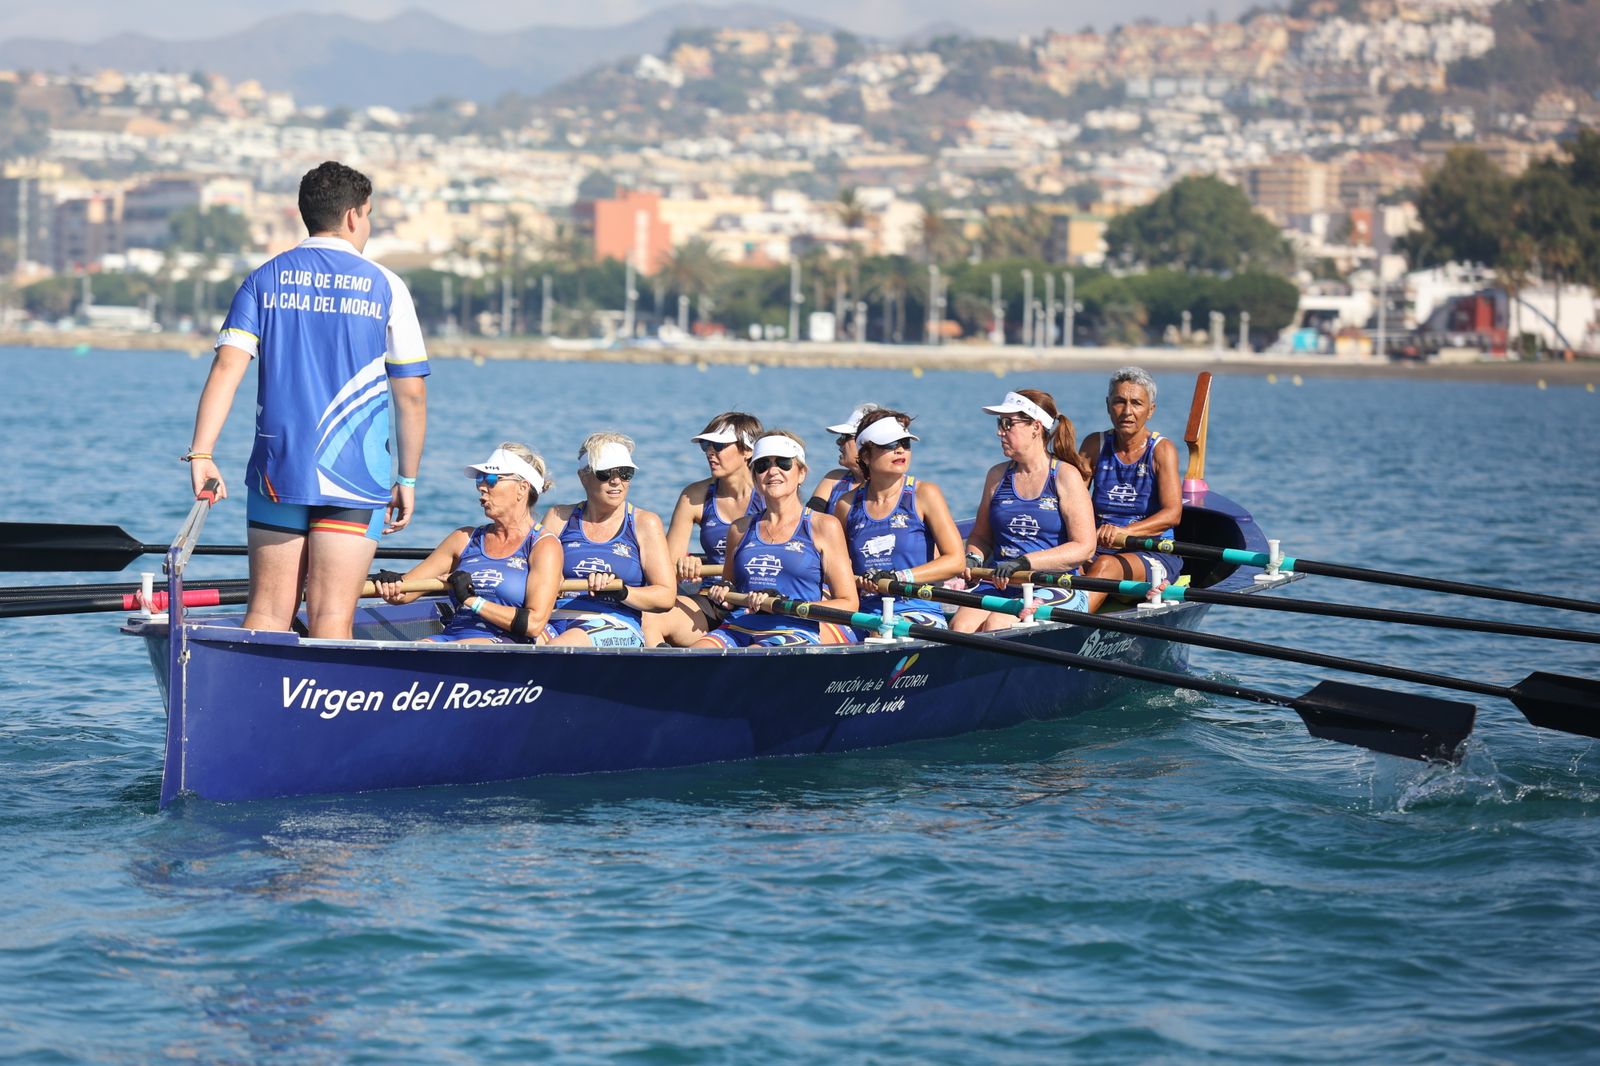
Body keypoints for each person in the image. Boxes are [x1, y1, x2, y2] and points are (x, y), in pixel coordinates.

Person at [184, 160, 428, 639]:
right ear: (356, 215)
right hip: (357, 473)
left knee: (268, 614)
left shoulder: (263, 278)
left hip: (280, 467)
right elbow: (412, 394)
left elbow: (227, 368)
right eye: (371, 214)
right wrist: (408, 477)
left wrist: (202, 453)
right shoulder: (387, 285)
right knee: (333, 620)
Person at [371, 444, 552, 643]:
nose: (482, 487)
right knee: (412, 651)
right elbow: (404, 593)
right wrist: (391, 583)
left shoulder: (543, 545)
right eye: (479, 479)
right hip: (453, 636)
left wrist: (471, 600)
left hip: (504, 640)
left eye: (492, 480)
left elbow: (534, 625)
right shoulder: (463, 538)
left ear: (522, 488)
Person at [952, 389, 1096, 633]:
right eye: (1000, 423)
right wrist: (972, 558)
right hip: (1001, 580)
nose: (1000, 431)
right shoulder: (997, 476)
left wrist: (1024, 562)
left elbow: (1085, 547)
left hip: (1054, 584)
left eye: (1008, 424)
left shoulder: (1065, 476)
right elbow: (981, 536)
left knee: (997, 624)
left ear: (1036, 427)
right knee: (960, 626)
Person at [697, 432, 859, 648]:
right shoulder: (739, 528)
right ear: (755, 477)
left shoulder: (823, 526)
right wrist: (724, 593)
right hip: (739, 626)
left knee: (751, 656)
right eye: (762, 465)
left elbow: (849, 604)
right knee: (696, 655)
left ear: (801, 473)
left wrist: (782, 604)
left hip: (795, 627)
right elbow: (731, 588)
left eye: (783, 463)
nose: (773, 471)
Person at [533, 433, 676, 648]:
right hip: (553, 619)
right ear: (583, 476)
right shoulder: (558, 517)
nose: (617, 481)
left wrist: (622, 591)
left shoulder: (645, 523)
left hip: (614, 621)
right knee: (511, 639)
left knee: (557, 647)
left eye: (626, 473)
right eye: (605, 473)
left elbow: (666, 596)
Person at [834, 409, 964, 629]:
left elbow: (956, 561)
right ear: (865, 456)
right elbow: (837, 570)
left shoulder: (925, 494)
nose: (900, 450)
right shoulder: (846, 504)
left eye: (905, 443)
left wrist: (899, 577)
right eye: (889, 444)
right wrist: (861, 581)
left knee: (882, 632)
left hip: (916, 610)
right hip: (864, 613)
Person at [649, 411, 766, 647]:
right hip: (711, 597)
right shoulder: (695, 496)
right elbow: (668, 567)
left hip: (760, 597)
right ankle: (661, 678)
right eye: (706, 445)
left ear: (748, 450)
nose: (710, 452)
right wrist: (684, 566)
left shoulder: (770, 494)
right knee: (651, 620)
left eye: (719, 445)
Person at [1079, 367, 1184, 612]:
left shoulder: (1162, 450)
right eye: (1119, 402)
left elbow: (1172, 514)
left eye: (1136, 403)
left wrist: (1124, 532)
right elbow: (1071, 501)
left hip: (1153, 551)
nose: (1127, 411)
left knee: (1105, 565)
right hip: (1097, 544)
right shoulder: (1094, 444)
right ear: (1108, 405)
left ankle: (1064, 623)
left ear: (1151, 410)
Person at [806, 402, 881, 514]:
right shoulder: (833, 478)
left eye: (845, 437)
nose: (838, 442)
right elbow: (808, 521)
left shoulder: (893, 486)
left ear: (865, 443)